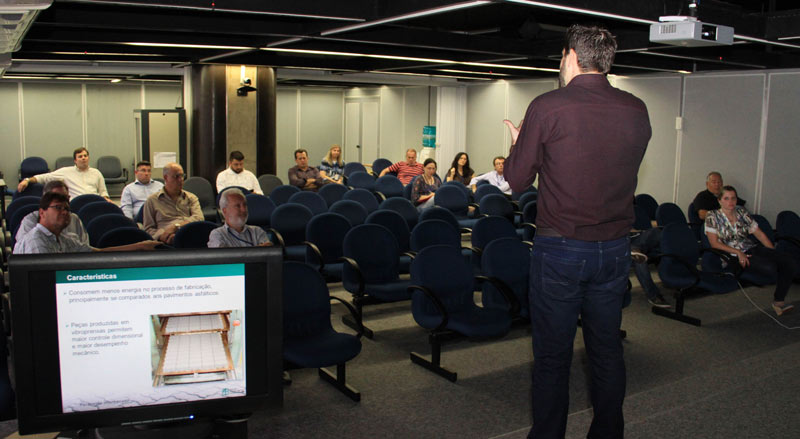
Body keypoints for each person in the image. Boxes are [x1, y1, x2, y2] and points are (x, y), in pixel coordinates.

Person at [504, 24, 651, 438]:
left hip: (562, 251)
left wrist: (519, 144)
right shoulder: (636, 108)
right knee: (606, 351)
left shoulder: (548, 106)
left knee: (553, 358)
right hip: (616, 251)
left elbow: (516, 180)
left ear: (570, 55)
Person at [705, 186, 798, 316]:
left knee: (788, 261)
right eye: (726, 198)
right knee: (770, 267)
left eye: (733, 198)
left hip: (750, 248)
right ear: (719, 201)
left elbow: (759, 234)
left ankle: (779, 301)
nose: (730, 202)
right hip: (731, 256)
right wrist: (738, 252)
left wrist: (773, 252)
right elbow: (714, 244)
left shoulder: (741, 212)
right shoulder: (712, 216)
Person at [14, 192, 159, 254]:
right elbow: (43, 281)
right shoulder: (36, 241)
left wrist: (140, 246)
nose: (64, 212)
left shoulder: (64, 239)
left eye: (66, 209)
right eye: (58, 208)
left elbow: (97, 253)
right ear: (42, 213)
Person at [14, 180, 89, 249]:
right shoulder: (30, 221)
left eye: (65, 198)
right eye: (57, 200)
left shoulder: (74, 220)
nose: (63, 203)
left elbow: (84, 249)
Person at [17, 147, 111, 201]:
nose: (83, 158)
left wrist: (106, 199)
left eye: (85, 156)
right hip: (76, 204)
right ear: (75, 160)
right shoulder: (65, 172)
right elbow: (44, 177)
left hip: (94, 202)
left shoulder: (96, 173)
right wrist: (27, 180)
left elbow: (103, 192)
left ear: (88, 158)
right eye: (80, 156)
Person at [142, 162, 203, 245]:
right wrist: (162, 235)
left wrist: (176, 227)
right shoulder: (152, 201)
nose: (181, 180)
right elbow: (148, 229)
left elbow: (199, 218)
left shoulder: (191, 197)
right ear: (165, 178)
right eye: (176, 176)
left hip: (189, 234)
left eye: (182, 176)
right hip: (165, 240)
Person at [208, 188, 272, 248]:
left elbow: (268, 254)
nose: (244, 210)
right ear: (225, 210)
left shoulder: (257, 231)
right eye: (238, 206)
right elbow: (222, 256)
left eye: (245, 205)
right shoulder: (218, 235)